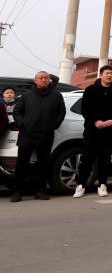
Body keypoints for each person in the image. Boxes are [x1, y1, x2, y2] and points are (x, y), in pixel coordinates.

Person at [10, 72, 65, 202]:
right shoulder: (27, 95)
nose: (44, 80)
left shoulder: (56, 96)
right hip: (27, 135)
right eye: (41, 78)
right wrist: (22, 124)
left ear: (49, 81)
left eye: (46, 78)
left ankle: (40, 191)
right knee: (22, 164)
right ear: (35, 81)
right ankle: (17, 192)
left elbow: (61, 112)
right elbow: (17, 111)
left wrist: (54, 125)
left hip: (46, 135)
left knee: (44, 164)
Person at [74, 65, 112, 198]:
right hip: (92, 130)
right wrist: (95, 122)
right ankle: (81, 185)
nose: (109, 75)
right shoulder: (90, 90)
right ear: (101, 74)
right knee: (87, 158)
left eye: (111, 73)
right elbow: (85, 109)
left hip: (110, 130)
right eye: (107, 73)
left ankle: (102, 185)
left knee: (105, 158)